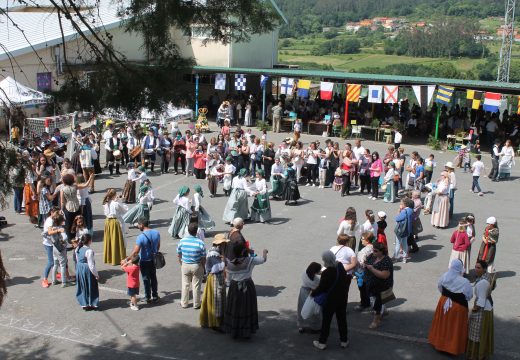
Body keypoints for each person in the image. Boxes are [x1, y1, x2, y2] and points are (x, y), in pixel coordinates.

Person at [428, 259, 473, 355]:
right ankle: (452, 348)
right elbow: (469, 296)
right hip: (458, 307)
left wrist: (447, 295)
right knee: (454, 328)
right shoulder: (465, 282)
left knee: (443, 324)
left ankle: (440, 344)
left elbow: (439, 287)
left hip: (444, 303)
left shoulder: (445, 276)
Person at [224, 243, 267, 339]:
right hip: (247, 286)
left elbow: (228, 281)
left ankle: (234, 330)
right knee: (246, 307)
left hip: (234, 288)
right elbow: (263, 260)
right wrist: (264, 252)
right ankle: (246, 331)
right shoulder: (250, 260)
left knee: (235, 308)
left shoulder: (230, 264)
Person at [311, 250, 348, 350]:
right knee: (342, 319)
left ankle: (322, 342)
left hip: (330, 300)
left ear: (326, 261)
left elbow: (322, 288)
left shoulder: (326, 272)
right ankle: (344, 340)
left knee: (326, 321)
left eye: (324, 260)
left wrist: (313, 293)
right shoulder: (340, 267)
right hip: (342, 298)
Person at [122, 218, 160, 303]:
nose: (138, 226)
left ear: (142, 225)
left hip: (144, 261)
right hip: (153, 260)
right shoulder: (156, 233)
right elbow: (158, 246)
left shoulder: (141, 237)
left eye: (138, 225)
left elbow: (136, 251)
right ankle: (155, 295)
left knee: (146, 279)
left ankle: (148, 297)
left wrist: (127, 259)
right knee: (153, 277)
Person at [466, 260, 495, 360]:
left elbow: (481, 301)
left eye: (478, 268)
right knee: (481, 332)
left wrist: (472, 311)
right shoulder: (487, 276)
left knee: (476, 332)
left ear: (484, 269)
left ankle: (476, 355)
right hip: (488, 306)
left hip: (482, 309)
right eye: (475, 267)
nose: (476, 269)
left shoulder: (482, 283)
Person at [200, 234, 229, 330]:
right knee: (217, 300)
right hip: (215, 278)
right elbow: (219, 267)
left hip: (218, 277)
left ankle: (219, 320)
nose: (225, 245)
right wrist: (224, 260)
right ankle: (215, 323)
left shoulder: (217, 252)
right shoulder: (213, 254)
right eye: (224, 243)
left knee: (219, 299)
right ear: (220, 244)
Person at [177, 222, 207, 309]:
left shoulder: (182, 241)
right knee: (196, 285)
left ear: (188, 231)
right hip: (197, 265)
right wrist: (202, 266)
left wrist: (181, 263)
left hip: (185, 264)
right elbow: (203, 257)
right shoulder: (200, 243)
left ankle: (184, 303)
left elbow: (179, 254)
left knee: (185, 284)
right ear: (196, 232)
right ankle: (196, 303)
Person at [365, 242, 394, 329]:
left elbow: (384, 275)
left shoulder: (386, 261)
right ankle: (383, 311)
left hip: (382, 286)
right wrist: (364, 265)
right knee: (374, 300)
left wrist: (371, 269)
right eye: (373, 250)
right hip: (371, 283)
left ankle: (376, 321)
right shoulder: (372, 256)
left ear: (382, 252)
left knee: (377, 303)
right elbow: (367, 263)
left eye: (376, 251)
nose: (373, 252)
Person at [102, 189, 128, 265]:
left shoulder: (105, 203)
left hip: (108, 222)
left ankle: (111, 257)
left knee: (110, 240)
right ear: (114, 195)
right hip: (115, 222)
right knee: (120, 240)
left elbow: (106, 212)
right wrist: (121, 201)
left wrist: (116, 200)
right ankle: (120, 257)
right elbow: (125, 210)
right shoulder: (116, 204)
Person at [75, 234, 99, 310]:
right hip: (86, 269)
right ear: (89, 241)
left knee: (82, 286)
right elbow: (91, 265)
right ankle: (92, 303)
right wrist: (96, 274)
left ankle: (84, 303)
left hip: (79, 268)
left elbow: (77, 259)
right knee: (90, 285)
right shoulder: (89, 251)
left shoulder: (78, 249)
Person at [297, 262, 322, 333]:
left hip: (303, 291)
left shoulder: (304, 271)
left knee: (301, 307)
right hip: (312, 293)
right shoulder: (316, 280)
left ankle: (301, 325)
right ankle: (315, 327)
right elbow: (319, 287)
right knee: (313, 310)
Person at [330, 235, 357, 300]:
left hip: (334, 273)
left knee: (334, 291)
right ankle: (342, 309)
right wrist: (343, 270)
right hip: (346, 274)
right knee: (344, 292)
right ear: (347, 242)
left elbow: (329, 260)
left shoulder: (332, 248)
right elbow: (354, 264)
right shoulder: (350, 250)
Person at [354, 232, 375, 312]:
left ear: (367, 240)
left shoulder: (364, 251)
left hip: (363, 273)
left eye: (362, 239)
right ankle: (372, 304)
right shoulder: (374, 247)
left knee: (363, 289)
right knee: (371, 289)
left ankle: (365, 304)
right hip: (373, 272)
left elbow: (362, 263)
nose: (361, 240)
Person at [394, 199, 413, 264]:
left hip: (401, 230)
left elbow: (397, 219)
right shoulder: (410, 210)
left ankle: (395, 257)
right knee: (405, 244)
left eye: (401, 204)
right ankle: (404, 258)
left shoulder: (404, 211)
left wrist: (399, 210)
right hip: (407, 230)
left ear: (405, 205)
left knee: (398, 244)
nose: (400, 205)